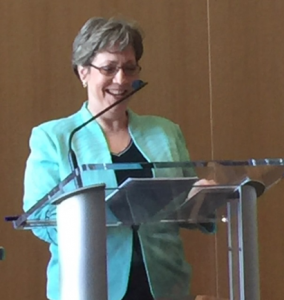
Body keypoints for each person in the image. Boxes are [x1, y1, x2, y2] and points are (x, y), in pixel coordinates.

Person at [23, 17, 215, 300]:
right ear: (84, 71)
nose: (121, 80)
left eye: (129, 68)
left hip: (164, 286)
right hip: (90, 284)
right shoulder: (54, 137)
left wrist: (202, 199)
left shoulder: (165, 132)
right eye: (109, 68)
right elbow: (39, 217)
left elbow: (181, 204)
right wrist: (107, 213)